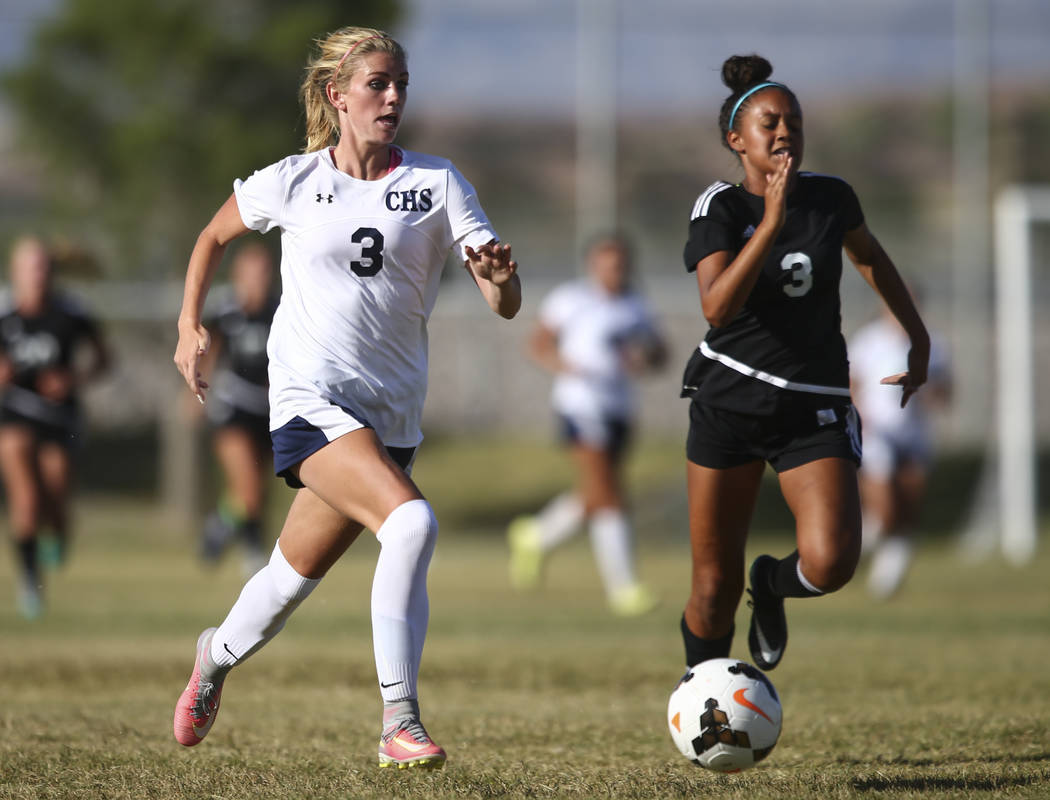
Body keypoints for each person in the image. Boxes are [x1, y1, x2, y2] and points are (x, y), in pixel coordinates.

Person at [171, 26, 520, 770]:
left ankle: (213, 656)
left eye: (400, 83)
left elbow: (503, 301)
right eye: (377, 84)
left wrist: (497, 274)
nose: (393, 96)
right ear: (338, 96)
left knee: (288, 580)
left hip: (389, 418)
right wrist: (189, 322)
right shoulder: (295, 180)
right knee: (413, 523)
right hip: (309, 401)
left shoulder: (438, 181)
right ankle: (400, 719)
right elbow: (212, 235)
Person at [678, 54, 930, 672]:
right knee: (711, 591)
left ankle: (770, 586)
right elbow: (716, 308)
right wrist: (771, 220)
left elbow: (870, 257)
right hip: (729, 401)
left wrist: (915, 335)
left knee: (832, 561)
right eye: (770, 122)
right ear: (737, 140)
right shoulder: (721, 208)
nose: (785, 130)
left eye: (793, 119)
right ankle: (703, 696)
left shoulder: (831, 198)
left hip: (811, 403)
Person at [507, 233, 666, 616]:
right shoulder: (571, 299)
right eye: (607, 263)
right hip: (581, 406)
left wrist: (646, 360)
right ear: (593, 265)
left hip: (619, 409)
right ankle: (624, 588)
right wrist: (568, 368)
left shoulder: (636, 306)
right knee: (610, 497)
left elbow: (660, 354)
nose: (614, 271)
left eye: (621, 263)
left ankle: (535, 535)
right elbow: (539, 344)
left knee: (597, 494)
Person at [0, 236, 110, 618]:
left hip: (59, 417)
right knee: (26, 500)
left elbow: (103, 361)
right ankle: (30, 580)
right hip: (14, 412)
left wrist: (72, 380)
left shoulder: (71, 313)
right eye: (30, 267)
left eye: (44, 267)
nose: (38, 275)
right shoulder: (4, 314)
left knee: (56, 489)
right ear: (15, 273)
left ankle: (58, 530)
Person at [849, 299, 951, 599]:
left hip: (914, 431)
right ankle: (862, 545)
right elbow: (852, 381)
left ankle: (887, 578)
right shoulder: (870, 339)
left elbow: (944, 390)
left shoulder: (933, 341)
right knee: (886, 507)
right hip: (877, 431)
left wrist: (928, 391)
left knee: (909, 504)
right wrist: (858, 414)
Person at [196, 241, 279, 576]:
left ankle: (221, 524)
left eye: (262, 273)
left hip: (272, 410)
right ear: (237, 275)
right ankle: (253, 553)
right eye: (250, 273)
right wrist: (194, 394)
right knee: (248, 485)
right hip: (233, 406)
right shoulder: (225, 312)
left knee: (256, 488)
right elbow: (207, 353)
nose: (256, 280)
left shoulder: (282, 309)